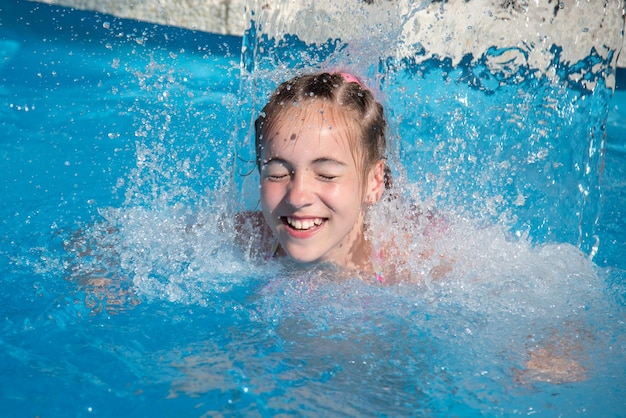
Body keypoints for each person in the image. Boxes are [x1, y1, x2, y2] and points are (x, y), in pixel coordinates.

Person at [241, 71, 411, 283]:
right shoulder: (248, 241)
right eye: (278, 174)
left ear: (374, 182)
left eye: (326, 175)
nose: (297, 197)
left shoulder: (406, 272)